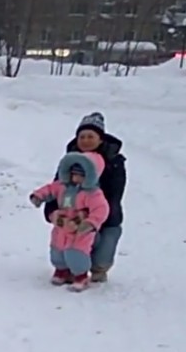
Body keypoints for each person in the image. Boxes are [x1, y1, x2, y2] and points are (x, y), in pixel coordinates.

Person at [42, 112, 127, 282]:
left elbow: (114, 193)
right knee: (68, 244)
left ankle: (98, 268)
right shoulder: (70, 162)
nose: (86, 140)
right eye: (82, 137)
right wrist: (52, 211)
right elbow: (58, 186)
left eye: (90, 136)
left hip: (106, 217)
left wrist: (93, 217)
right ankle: (68, 269)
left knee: (101, 257)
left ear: (100, 139)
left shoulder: (114, 162)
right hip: (71, 217)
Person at [30, 152, 110, 291]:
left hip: (80, 228)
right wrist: (38, 196)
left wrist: (90, 223)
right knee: (57, 249)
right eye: (74, 174)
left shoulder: (93, 193)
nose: (76, 178)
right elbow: (49, 189)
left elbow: (101, 209)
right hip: (62, 224)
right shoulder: (62, 187)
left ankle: (81, 276)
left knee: (77, 252)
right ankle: (61, 270)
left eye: (81, 175)